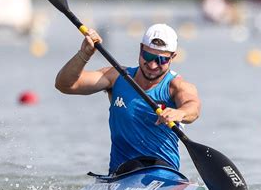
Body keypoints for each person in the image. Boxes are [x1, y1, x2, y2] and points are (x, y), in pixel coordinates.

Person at [55, 24, 201, 175]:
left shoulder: (177, 86)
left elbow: (193, 107)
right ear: (140, 49)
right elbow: (65, 85)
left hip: (163, 172)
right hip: (122, 173)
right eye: (148, 56)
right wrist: (84, 54)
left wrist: (180, 113)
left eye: (161, 60)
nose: (152, 65)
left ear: (173, 57)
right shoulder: (117, 76)